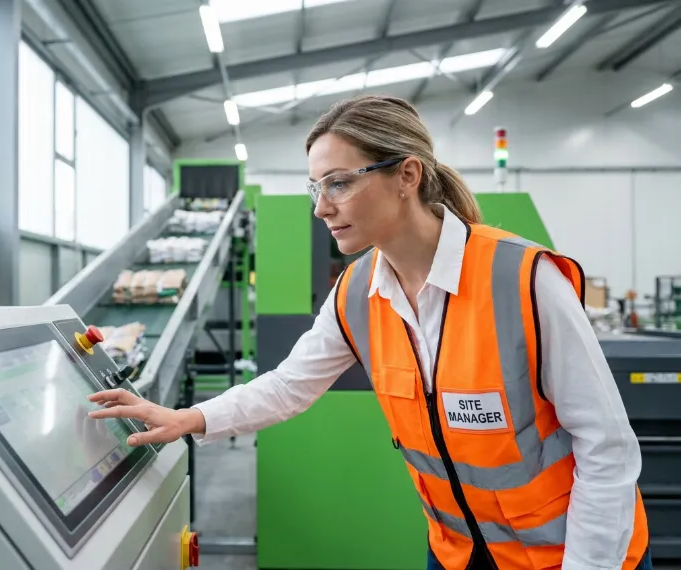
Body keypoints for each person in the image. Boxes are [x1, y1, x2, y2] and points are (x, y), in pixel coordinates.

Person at [87, 95, 651, 570]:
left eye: (337, 184)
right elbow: (289, 385)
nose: (320, 208)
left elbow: (606, 447)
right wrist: (189, 418)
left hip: (576, 553)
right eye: (315, 188)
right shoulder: (358, 292)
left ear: (407, 175)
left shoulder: (523, 279)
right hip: (459, 553)